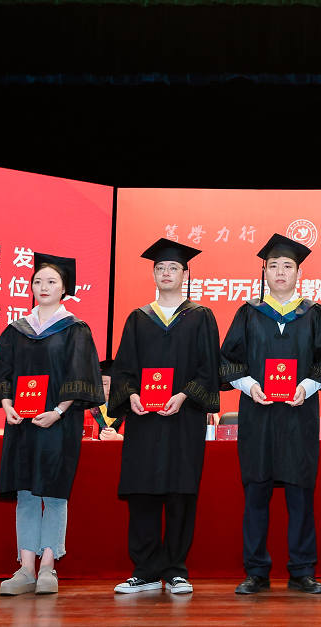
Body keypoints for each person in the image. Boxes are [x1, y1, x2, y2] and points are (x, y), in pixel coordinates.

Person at [220, 234, 321, 595]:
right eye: (273, 266)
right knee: (256, 494)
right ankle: (256, 570)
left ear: (299, 273)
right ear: (265, 272)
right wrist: (249, 385)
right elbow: (228, 360)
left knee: (300, 496)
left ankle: (302, 570)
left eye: (288, 266)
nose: (281, 271)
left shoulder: (314, 313)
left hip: (299, 416)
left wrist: (307, 387)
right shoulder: (249, 312)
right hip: (259, 415)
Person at [0, 253, 104, 595]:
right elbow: (3, 373)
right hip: (21, 422)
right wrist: (7, 406)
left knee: (53, 492)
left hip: (58, 423)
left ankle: (48, 565)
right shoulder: (15, 330)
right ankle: (25, 568)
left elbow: (80, 376)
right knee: (24, 492)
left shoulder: (75, 330)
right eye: (38, 281)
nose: (43, 287)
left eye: (51, 281)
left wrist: (59, 412)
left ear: (65, 289)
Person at [108, 238, 221, 595]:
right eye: (160, 268)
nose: (166, 272)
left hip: (183, 418)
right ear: (154, 274)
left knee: (180, 493)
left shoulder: (200, 317)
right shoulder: (138, 318)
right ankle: (144, 571)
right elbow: (123, 369)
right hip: (144, 419)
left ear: (185, 274)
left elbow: (209, 369)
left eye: (173, 268)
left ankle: (175, 570)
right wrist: (132, 395)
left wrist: (184, 395)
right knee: (142, 492)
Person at [89, 359, 124, 441]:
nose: (109, 388)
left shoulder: (129, 410)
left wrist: (119, 438)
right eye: (104, 384)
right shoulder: (88, 410)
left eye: (114, 384)